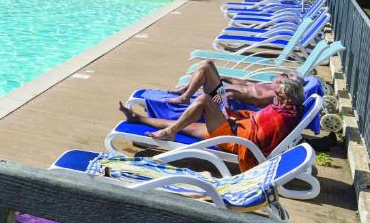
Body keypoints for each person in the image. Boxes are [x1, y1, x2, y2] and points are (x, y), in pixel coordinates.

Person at [116, 76, 304, 171]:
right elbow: (255, 122)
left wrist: (235, 122)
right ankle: (138, 119)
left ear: (287, 97)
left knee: (205, 100)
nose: (275, 97)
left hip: (236, 139)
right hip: (235, 130)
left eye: (277, 94)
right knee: (185, 126)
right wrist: (237, 118)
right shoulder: (287, 110)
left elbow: (258, 139)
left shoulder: (281, 118)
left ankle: (169, 131)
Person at [168, 61, 297, 106]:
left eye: (284, 76)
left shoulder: (271, 94)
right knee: (207, 64)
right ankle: (186, 89)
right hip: (223, 91)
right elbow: (244, 82)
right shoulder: (267, 85)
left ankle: (185, 97)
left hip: (221, 98)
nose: (280, 76)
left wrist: (227, 95)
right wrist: (223, 77)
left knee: (205, 67)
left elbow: (253, 100)